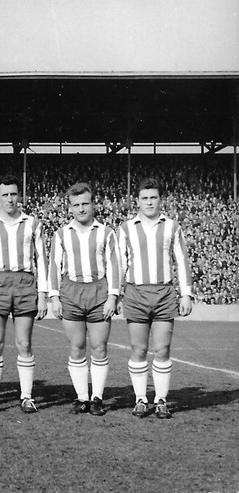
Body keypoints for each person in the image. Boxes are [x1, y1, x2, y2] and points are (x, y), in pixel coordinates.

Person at [118, 177, 193, 419]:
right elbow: (120, 264)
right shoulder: (126, 228)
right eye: (145, 198)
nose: (149, 202)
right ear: (137, 201)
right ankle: (140, 399)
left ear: (161, 200)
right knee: (139, 349)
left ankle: (161, 400)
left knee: (162, 349)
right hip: (136, 293)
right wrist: (116, 294)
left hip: (164, 293)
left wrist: (186, 294)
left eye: (153, 197)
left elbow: (182, 261)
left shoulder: (172, 227)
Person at [0, 174, 48, 414]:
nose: (9, 199)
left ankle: (26, 396)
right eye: (5, 194)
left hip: (25, 283)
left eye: (13, 194)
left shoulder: (32, 223)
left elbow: (42, 261)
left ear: (20, 196)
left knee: (24, 343)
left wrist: (43, 294)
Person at [48, 183, 121, 416]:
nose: (81, 209)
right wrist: (54, 297)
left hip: (99, 292)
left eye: (85, 203)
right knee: (77, 346)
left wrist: (113, 296)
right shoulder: (61, 234)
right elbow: (54, 266)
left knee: (99, 347)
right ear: (69, 208)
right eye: (76, 205)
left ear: (93, 204)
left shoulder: (106, 232)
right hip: (71, 292)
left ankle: (97, 397)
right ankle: (82, 398)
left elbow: (115, 265)